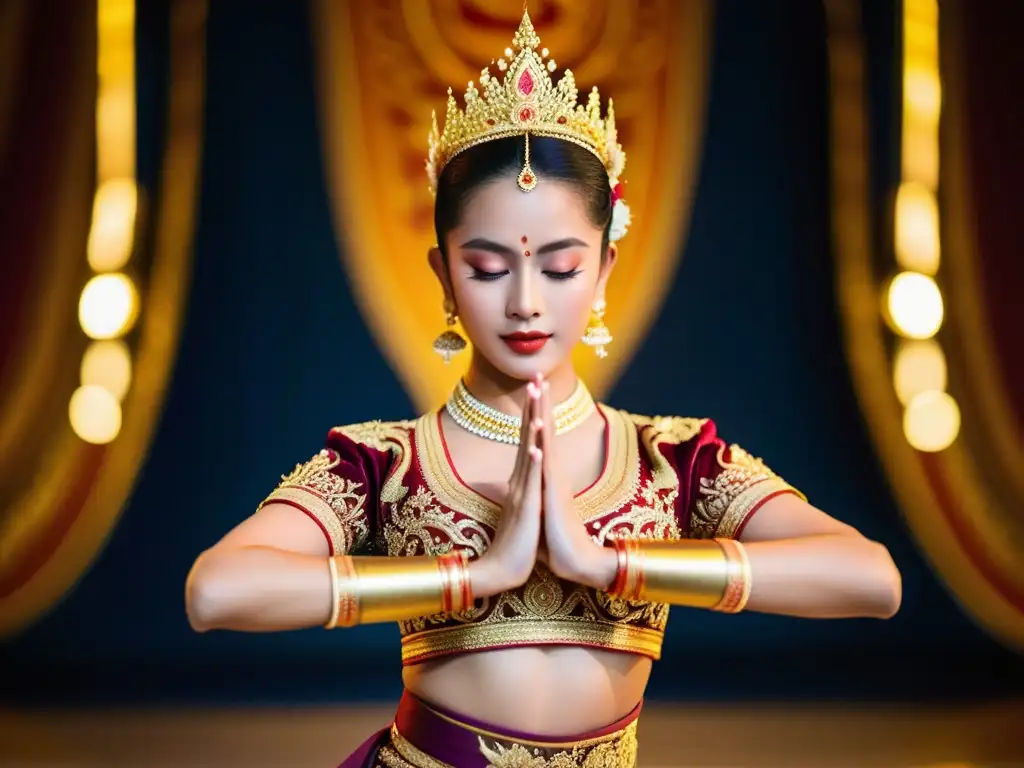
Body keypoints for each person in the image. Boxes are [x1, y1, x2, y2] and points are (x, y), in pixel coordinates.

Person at [184, 10, 902, 767]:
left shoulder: (669, 457)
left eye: (559, 267)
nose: (525, 300)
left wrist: (608, 563)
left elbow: (872, 580)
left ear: (604, 271)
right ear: (443, 276)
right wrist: (475, 575)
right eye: (488, 268)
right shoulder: (385, 463)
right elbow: (216, 593)